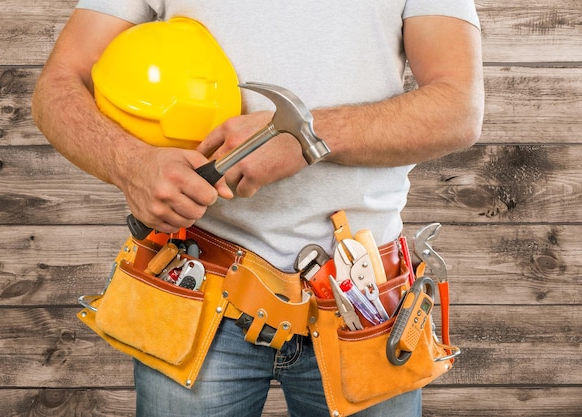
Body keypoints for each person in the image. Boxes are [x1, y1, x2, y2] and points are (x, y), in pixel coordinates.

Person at [32, 1, 484, 416]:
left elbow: (458, 106)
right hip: (198, 286)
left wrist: (309, 136)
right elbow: (58, 84)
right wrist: (131, 165)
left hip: (363, 304)